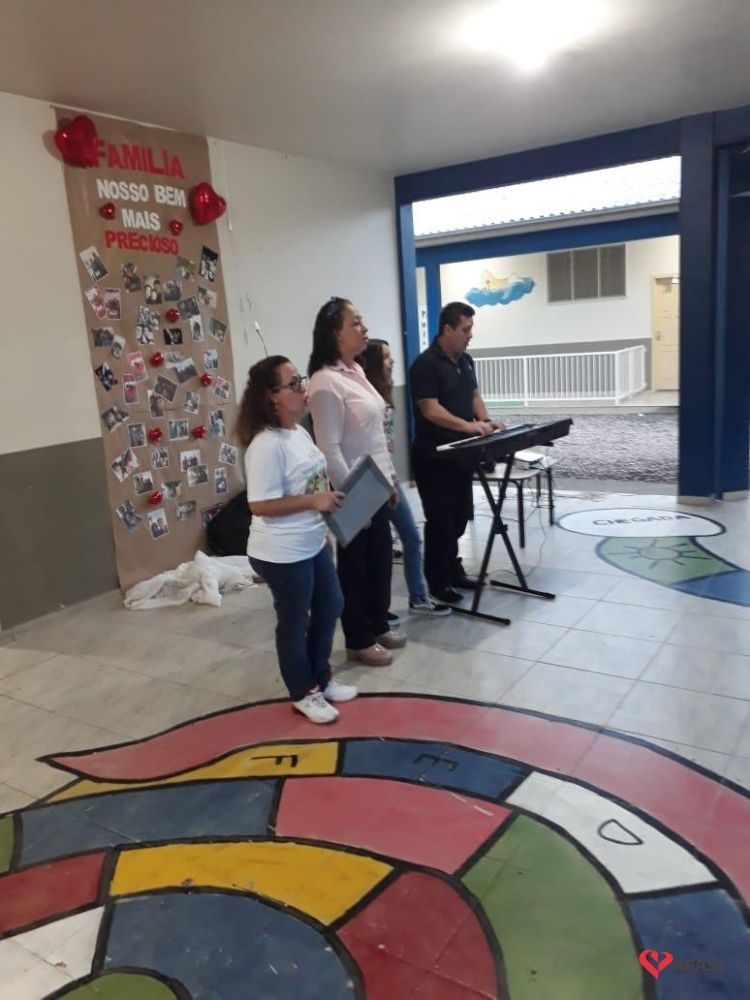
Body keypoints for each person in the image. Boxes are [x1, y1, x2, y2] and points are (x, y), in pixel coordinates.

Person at [237, 354, 357, 724]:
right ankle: (303, 692)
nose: (302, 388)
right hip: (281, 551)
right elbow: (259, 504)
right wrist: (313, 502)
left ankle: (322, 677)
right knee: (294, 621)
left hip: (311, 540)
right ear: (271, 396)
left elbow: (313, 486)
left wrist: (326, 518)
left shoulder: (299, 433)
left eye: (300, 380)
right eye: (293, 384)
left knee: (331, 604)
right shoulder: (266, 444)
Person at [307, 297, 405, 667]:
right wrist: (351, 499)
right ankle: (359, 639)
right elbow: (328, 448)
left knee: (380, 563)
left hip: (377, 482)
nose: (365, 329)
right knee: (355, 569)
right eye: (356, 323)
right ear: (335, 333)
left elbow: (375, 437)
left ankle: (378, 625)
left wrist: (390, 481)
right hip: (355, 488)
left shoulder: (356, 371)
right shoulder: (324, 382)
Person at [409, 301, 505, 604]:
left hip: (462, 454)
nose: (470, 335)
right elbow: (430, 409)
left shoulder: (466, 360)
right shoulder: (425, 365)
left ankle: (453, 569)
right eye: (465, 330)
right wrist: (468, 426)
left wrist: (485, 421)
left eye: (470, 329)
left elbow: (474, 395)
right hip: (434, 457)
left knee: (461, 516)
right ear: (447, 329)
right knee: (441, 521)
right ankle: (437, 582)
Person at [359, 339, 451, 619]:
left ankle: (418, 597)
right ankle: (373, 610)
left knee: (410, 536)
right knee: (372, 551)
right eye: (387, 357)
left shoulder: (382, 395)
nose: (393, 361)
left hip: (387, 478)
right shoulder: (363, 397)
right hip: (367, 481)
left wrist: (390, 479)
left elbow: (383, 446)